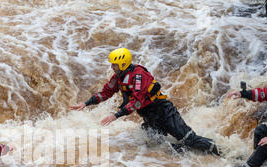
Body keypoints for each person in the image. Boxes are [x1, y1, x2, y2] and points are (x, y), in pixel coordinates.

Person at [70, 48, 220, 156]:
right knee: (158, 145)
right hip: (150, 116)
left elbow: (137, 101)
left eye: (114, 64)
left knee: (189, 140)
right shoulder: (118, 77)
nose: (112, 67)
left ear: (122, 63)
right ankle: (191, 160)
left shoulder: (139, 76)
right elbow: (106, 92)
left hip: (164, 112)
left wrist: (115, 116)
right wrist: (86, 103)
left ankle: (222, 152)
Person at [222, 56, 267, 167]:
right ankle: (256, 165)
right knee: (260, 131)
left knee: (265, 147)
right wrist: (243, 94)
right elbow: (263, 94)